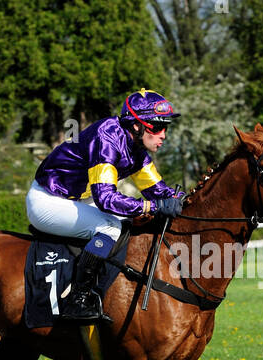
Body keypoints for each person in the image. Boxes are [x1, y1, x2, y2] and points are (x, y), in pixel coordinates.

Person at [26, 90, 186, 321]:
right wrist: (151, 207)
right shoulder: (106, 138)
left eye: (165, 127)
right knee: (110, 226)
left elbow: (159, 192)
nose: (163, 135)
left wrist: (184, 201)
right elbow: (106, 199)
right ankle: (77, 299)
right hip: (48, 200)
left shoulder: (137, 150)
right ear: (135, 126)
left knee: (128, 222)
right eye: (156, 127)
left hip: (79, 198)